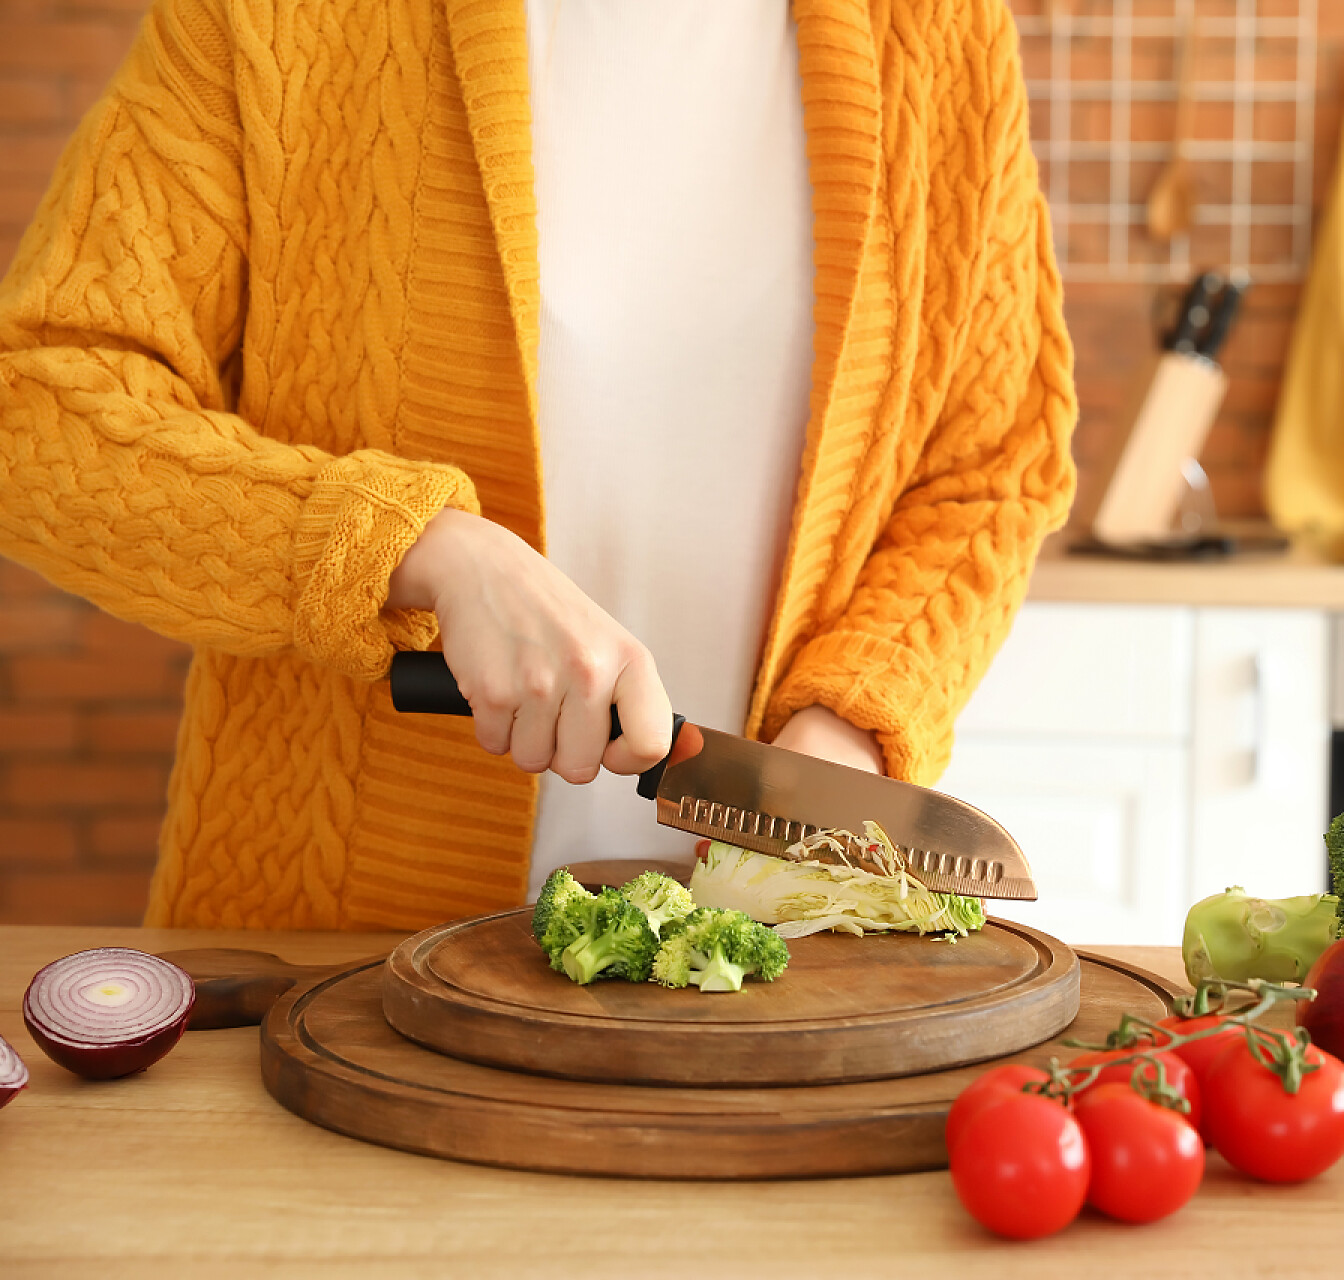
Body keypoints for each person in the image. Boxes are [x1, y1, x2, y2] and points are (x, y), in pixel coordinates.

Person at [0, 0, 1075, 931]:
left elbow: (993, 464)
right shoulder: (286, 21)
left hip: (770, 985)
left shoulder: (937, 34)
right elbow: (39, 406)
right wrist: (415, 549)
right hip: (333, 957)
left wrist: (852, 722)